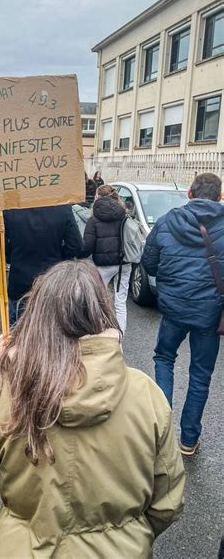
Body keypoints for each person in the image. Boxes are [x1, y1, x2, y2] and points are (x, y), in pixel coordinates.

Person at [0, 260, 185, 558]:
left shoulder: (13, 386)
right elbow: (166, 501)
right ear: (102, 312)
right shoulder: (146, 394)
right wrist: (128, 535)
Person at [142, 172, 223, 457]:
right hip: (210, 314)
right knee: (200, 375)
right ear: (220, 196)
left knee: (164, 358)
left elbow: (149, 264)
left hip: (173, 309)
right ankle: (189, 439)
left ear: (189, 194)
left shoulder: (166, 221)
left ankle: (162, 433)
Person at [4, 204, 83, 326]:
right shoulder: (62, 208)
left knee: (18, 331)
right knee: (51, 330)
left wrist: (13, 256)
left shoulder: (11, 208)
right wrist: (59, 257)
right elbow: (76, 245)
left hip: (20, 278)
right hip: (52, 277)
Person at [82, 184, 131, 334]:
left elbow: (88, 247)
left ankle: (101, 331)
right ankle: (120, 336)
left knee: (99, 300)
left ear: (97, 197)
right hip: (124, 263)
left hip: (103, 266)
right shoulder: (124, 214)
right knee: (120, 301)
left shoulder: (93, 219)